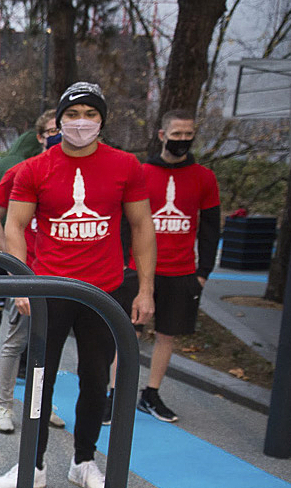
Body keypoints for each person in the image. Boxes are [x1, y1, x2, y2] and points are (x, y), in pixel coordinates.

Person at [0, 81, 156, 488]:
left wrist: (146, 289)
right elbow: (14, 226)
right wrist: (22, 283)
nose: (81, 123)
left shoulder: (125, 166)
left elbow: (141, 226)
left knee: (95, 378)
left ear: (101, 120)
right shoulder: (35, 168)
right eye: (73, 114)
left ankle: (84, 462)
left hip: (103, 290)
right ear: (59, 120)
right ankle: (34, 464)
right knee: (40, 378)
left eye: (90, 115)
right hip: (50, 287)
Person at [105, 109, 220, 424]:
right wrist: (123, 267)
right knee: (129, 332)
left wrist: (203, 274)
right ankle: (114, 392)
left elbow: (211, 228)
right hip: (138, 269)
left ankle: (151, 393)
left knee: (167, 335)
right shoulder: (141, 173)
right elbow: (125, 224)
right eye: (177, 133)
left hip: (182, 272)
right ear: (161, 135)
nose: (182, 140)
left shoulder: (204, 178)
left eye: (188, 134)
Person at [0, 110, 66, 434]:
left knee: (49, 344)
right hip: (27, 268)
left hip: (58, 271)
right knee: (15, 341)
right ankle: (3, 404)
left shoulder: (72, 177)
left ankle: (42, 405)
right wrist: (14, 265)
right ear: (40, 136)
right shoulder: (21, 172)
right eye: (52, 130)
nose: (59, 135)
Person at [0, 127, 50, 383]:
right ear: (39, 136)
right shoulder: (26, 170)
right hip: (27, 254)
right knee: (26, 322)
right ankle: (24, 368)